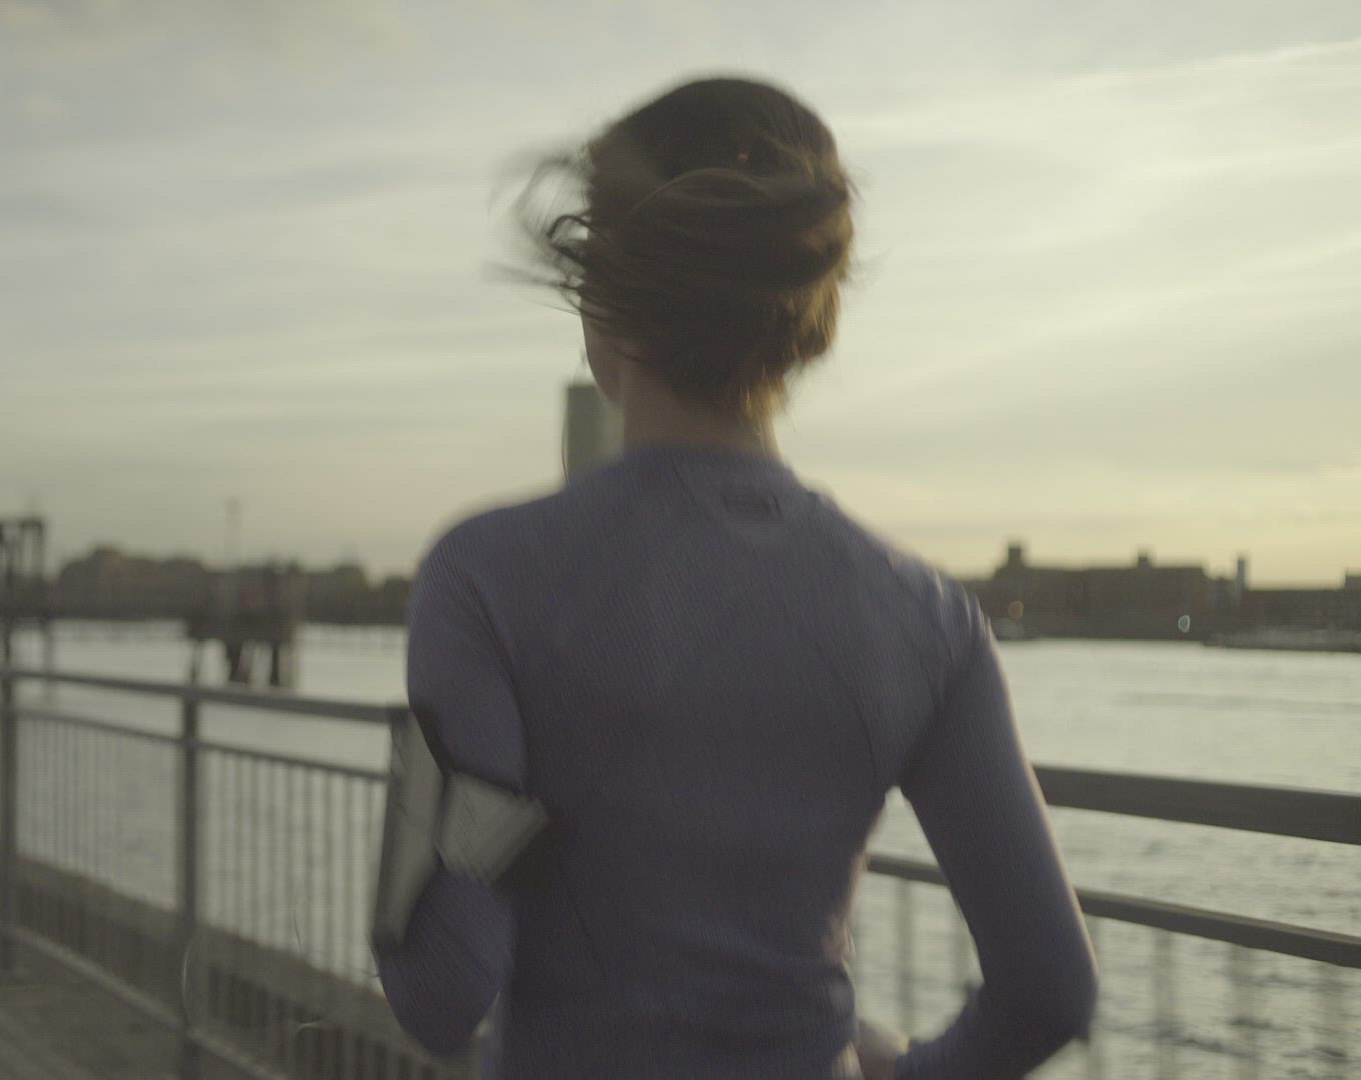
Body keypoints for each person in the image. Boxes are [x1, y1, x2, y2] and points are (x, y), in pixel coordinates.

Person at [373, 76, 1097, 1079]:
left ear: (603, 299)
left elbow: (442, 994)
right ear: (811, 314)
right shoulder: (928, 618)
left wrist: (421, 810)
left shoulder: (486, 575)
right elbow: (1051, 992)